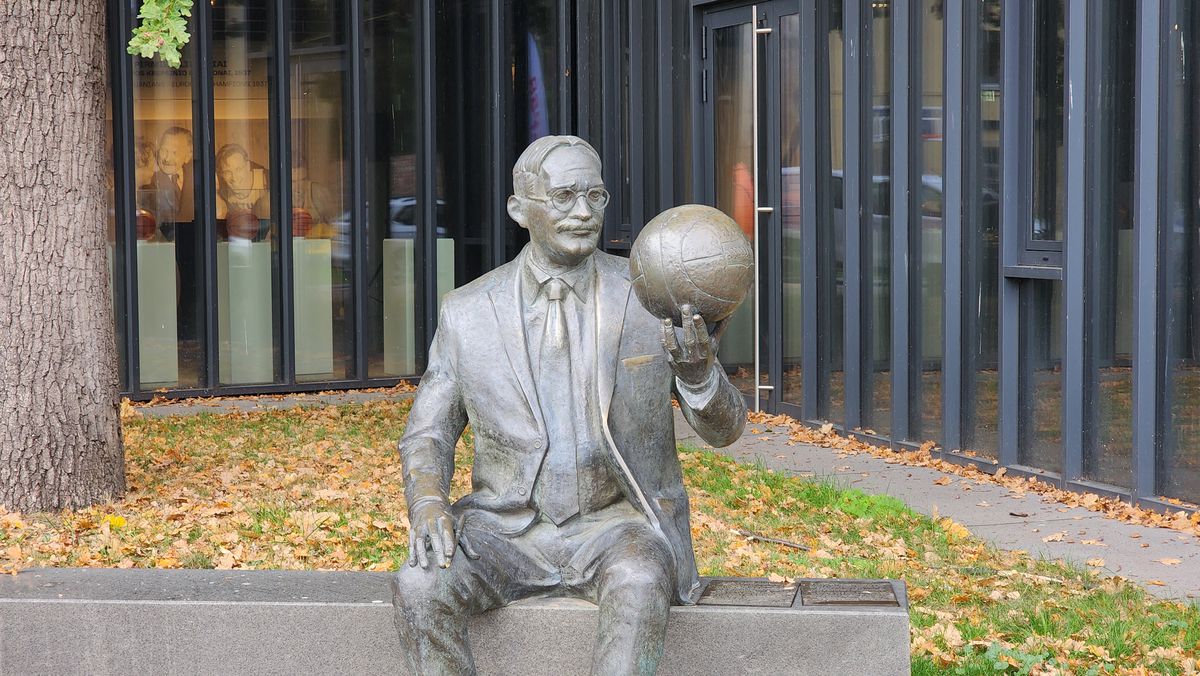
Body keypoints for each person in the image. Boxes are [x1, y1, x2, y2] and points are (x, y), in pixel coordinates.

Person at [392, 135, 746, 675]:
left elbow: (726, 429)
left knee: (640, 581)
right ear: (519, 209)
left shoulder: (651, 298)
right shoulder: (466, 313)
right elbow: (428, 434)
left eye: (596, 196)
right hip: (504, 531)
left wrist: (699, 377)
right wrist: (427, 503)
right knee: (420, 581)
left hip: (616, 528)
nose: (583, 212)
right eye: (563, 197)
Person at [215, 143, 271, 238]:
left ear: (248, 166)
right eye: (227, 172)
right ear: (221, 174)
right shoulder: (219, 186)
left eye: (238, 169)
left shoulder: (266, 179)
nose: (234, 178)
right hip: (234, 238)